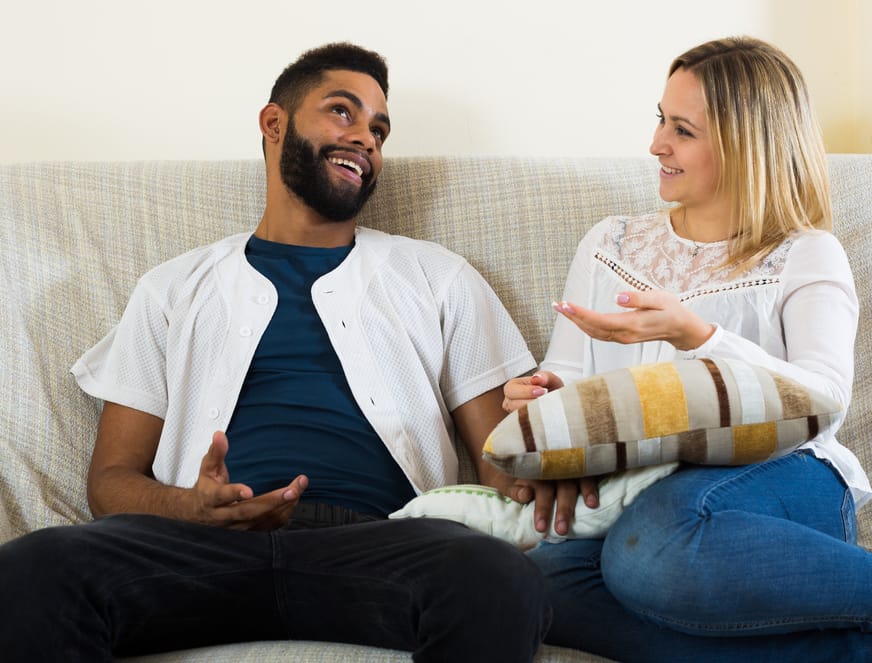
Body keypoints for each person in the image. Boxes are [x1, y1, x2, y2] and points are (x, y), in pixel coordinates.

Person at [0, 42, 550, 662]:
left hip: (385, 544)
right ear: (274, 123)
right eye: (343, 112)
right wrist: (190, 508)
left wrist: (548, 437)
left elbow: (501, 469)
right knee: (31, 569)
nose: (366, 138)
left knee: (497, 578)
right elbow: (109, 482)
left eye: (379, 129)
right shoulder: (173, 288)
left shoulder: (439, 277)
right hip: (196, 548)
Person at [503, 36, 872, 663]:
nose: (657, 144)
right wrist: (539, 401)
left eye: (682, 130)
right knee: (539, 586)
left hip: (782, 480)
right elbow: (570, 373)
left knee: (652, 550)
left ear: (745, 146)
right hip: (639, 493)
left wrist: (699, 336)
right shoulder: (611, 244)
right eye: (661, 119)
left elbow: (824, 399)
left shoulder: (806, 253)